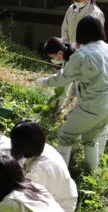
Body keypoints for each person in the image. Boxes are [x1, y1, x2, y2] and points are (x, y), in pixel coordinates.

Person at [37, 16, 108, 171]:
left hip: (91, 105)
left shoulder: (81, 55)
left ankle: (60, 174)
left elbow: (63, 78)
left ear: (81, 32)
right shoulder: (106, 48)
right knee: (90, 139)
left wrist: (43, 82)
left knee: (65, 135)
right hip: (106, 107)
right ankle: (91, 175)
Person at [10, 120, 77, 212]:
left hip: (60, 208)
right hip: (64, 194)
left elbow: (27, 201)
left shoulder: (38, 170)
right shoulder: (41, 147)